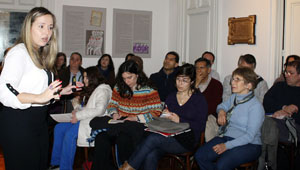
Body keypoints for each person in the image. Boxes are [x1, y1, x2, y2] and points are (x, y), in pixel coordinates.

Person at [0, 7, 81, 170]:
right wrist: (40, 97)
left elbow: (38, 88)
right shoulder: (19, 53)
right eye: (41, 26)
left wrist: (61, 91)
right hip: (18, 123)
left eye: (50, 27)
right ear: (29, 27)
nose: (47, 32)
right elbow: (5, 91)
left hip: (39, 122)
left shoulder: (40, 54)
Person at [119, 63, 208, 170]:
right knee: (150, 153)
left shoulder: (198, 99)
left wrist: (180, 120)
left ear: (192, 82)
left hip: (187, 139)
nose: (180, 83)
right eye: (178, 79)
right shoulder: (171, 97)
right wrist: (164, 115)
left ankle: (128, 167)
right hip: (168, 133)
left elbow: (201, 125)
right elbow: (164, 120)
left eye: (184, 80)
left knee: (152, 139)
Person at [91, 60, 162, 170]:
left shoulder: (149, 89)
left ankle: (127, 167)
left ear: (137, 75)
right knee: (101, 138)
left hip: (139, 124)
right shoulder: (119, 87)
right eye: (124, 78)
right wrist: (114, 113)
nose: (127, 81)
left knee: (123, 138)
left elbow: (156, 112)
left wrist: (136, 117)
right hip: (121, 122)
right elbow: (112, 104)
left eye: (130, 77)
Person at [195, 67, 265, 170]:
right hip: (227, 136)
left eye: (237, 79)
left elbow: (249, 136)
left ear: (249, 85)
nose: (232, 82)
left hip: (249, 144)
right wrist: (221, 112)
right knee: (200, 156)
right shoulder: (234, 97)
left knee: (222, 165)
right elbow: (221, 106)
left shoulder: (256, 107)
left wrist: (226, 146)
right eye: (233, 78)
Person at [49, 66, 112, 170]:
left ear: (93, 78)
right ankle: (56, 164)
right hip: (85, 119)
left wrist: (77, 116)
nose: (84, 80)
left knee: (70, 134)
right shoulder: (93, 89)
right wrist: (77, 110)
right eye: (84, 77)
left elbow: (99, 110)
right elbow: (87, 108)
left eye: (86, 77)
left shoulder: (103, 90)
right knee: (59, 128)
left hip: (93, 123)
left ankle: (65, 168)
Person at [259, 60, 300, 170]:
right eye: (285, 72)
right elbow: (266, 102)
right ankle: (268, 163)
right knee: (267, 125)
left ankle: (266, 164)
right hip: (273, 121)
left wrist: (287, 114)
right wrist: (283, 108)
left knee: (267, 127)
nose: (286, 76)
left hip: (294, 128)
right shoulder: (279, 86)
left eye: (290, 73)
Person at [195, 58, 223, 141]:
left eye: (202, 68)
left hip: (209, 115)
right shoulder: (191, 83)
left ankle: (210, 149)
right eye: (197, 68)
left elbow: (214, 106)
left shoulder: (216, 84)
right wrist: (196, 84)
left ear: (209, 70)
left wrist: (198, 114)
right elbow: (187, 100)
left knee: (208, 125)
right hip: (192, 114)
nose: (199, 70)